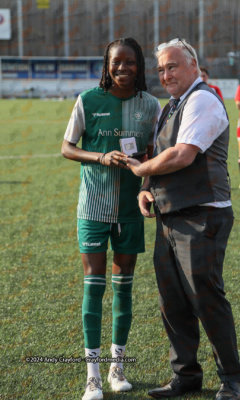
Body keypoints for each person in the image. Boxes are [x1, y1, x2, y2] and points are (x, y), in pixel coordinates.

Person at [116, 38, 240, 399]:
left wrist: (143, 168)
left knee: (205, 297)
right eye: (160, 69)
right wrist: (145, 185)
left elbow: (182, 155)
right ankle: (186, 375)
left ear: (193, 65)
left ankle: (231, 378)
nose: (165, 74)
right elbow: (159, 155)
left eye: (172, 66)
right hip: (170, 216)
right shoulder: (171, 106)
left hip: (203, 215)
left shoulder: (202, 99)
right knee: (172, 300)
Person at [61, 37, 160, 400]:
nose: (122, 69)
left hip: (130, 210)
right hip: (93, 208)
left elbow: (152, 154)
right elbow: (66, 147)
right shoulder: (88, 100)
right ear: (107, 65)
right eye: (116, 63)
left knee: (124, 289)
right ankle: (93, 377)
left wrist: (145, 186)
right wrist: (99, 158)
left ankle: (117, 368)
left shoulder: (150, 105)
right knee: (94, 286)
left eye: (129, 62)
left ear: (140, 66)